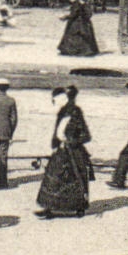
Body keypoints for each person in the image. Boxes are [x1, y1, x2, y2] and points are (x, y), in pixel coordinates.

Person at [37, 86, 94, 218]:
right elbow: (57, 131)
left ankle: (78, 208)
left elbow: (86, 136)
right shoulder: (63, 111)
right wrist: (55, 144)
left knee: (73, 180)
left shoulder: (76, 112)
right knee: (53, 178)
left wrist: (72, 141)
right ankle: (49, 207)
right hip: (62, 150)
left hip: (74, 152)